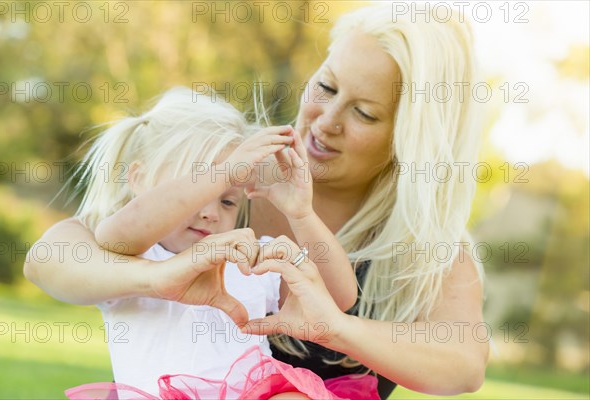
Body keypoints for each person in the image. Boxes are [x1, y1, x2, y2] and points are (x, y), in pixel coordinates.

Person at [24, 4, 489, 398]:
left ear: (411, 138)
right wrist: (156, 277)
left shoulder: (426, 246)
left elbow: (463, 366)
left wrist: (336, 328)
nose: (326, 121)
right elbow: (54, 256)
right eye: (325, 88)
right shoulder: (234, 172)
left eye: (364, 113)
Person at [44, 86, 360, 400]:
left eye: (226, 201)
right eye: (196, 189)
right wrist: (224, 173)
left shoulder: (249, 257)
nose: (209, 212)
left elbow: (339, 296)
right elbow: (122, 229)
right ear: (139, 179)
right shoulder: (127, 256)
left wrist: (301, 212)